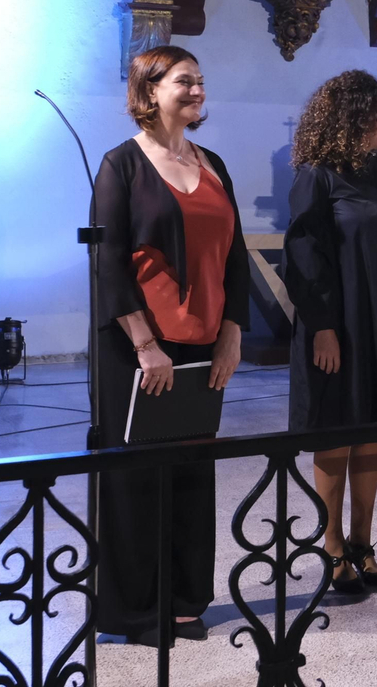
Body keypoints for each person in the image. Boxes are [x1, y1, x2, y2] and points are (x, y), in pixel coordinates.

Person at [92, 45, 248, 646]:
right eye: (185, 81)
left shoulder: (213, 163)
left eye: (201, 80)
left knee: (191, 474)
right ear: (149, 91)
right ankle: (137, 611)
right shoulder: (122, 165)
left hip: (203, 345)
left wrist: (232, 332)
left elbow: (235, 257)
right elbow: (109, 261)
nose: (198, 90)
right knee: (136, 481)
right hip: (139, 348)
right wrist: (144, 344)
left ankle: (185, 601)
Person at [283, 70, 377, 594]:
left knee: (373, 427)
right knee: (337, 429)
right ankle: (331, 544)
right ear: (351, 117)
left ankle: (362, 540)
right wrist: (323, 327)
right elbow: (304, 254)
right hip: (336, 322)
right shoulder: (316, 176)